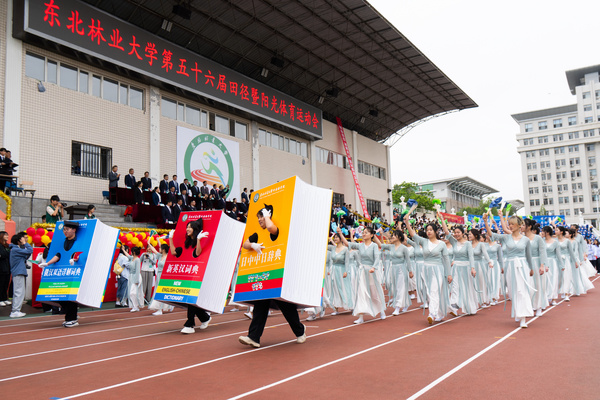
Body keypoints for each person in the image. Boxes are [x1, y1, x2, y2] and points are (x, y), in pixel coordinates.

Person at [238, 206, 306, 347]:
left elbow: (271, 229)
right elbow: (244, 244)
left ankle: (300, 331)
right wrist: (253, 245)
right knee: (260, 306)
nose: (259, 220)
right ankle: (254, 337)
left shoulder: (274, 230)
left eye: (261, 216)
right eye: (258, 217)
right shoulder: (257, 234)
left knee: (286, 308)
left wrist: (268, 217)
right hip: (263, 276)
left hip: (277, 274)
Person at [483, 212, 534, 328]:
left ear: (520, 225)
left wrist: (531, 268)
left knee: (522, 290)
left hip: (522, 266)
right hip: (510, 266)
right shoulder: (505, 238)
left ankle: (523, 317)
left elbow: (528, 255)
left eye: (513, 224)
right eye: (509, 224)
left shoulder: (525, 240)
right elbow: (491, 235)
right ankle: (518, 312)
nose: (510, 226)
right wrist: (486, 221)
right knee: (513, 291)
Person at [404, 214, 451, 325]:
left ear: (435, 231)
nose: (429, 232)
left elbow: (446, 259)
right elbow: (413, 235)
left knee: (434, 290)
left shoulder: (441, 244)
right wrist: (406, 223)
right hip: (426, 270)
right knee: (430, 292)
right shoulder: (424, 242)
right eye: (427, 230)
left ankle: (432, 314)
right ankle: (439, 314)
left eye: (431, 230)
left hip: (438, 270)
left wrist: (449, 274)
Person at [168, 220, 211, 333]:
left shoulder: (197, 241)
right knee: (189, 300)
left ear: (195, 229)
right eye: (187, 227)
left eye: (190, 227)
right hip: (186, 274)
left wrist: (198, 240)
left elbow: (197, 253)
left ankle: (190, 324)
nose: (187, 229)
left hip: (196, 274)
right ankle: (205, 318)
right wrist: (171, 238)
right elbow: (173, 252)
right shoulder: (185, 243)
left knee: (190, 298)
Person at [38, 221, 82, 326]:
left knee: (71, 297)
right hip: (63, 272)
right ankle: (70, 317)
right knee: (61, 295)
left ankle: (72, 319)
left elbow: (80, 253)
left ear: (74, 230)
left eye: (67, 229)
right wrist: (47, 263)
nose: (65, 231)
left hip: (75, 272)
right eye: (64, 229)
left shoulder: (79, 241)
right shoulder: (63, 242)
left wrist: (75, 260)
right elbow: (59, 255)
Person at [147, 243, 174, 315]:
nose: (159, 249)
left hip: (165, 276)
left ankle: (161, 309)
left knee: (163, 292)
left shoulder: (168, 257)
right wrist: (149, 243)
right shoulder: (159, 256)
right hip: (158, 275)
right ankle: (161, 308)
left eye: (160, 248)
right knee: (157, 291)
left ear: (163, 249)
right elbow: (154, 250)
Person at [9, 233, 32, 318]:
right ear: (19, 241)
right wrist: (25, 244)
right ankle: (15, 311)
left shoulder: (16, 249)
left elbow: (27, 255)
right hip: (18, 272)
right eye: (23, 239)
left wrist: (23, 245)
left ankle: (16, 310)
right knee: (19, 292)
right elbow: (30, 250)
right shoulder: (15, 249)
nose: (25, 240)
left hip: (19, 272)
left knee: (19, 292)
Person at [0, 231, 11, 307]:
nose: (7, 236)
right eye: (5, 235)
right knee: (1, 284)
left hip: (7, 267)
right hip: (1, 268)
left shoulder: (7, 245)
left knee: (6, 284)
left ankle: (4, 298)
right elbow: (3, 254)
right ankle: (0, 299)